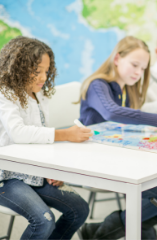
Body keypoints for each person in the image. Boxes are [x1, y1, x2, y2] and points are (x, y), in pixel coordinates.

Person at [79, 36, 157, 240]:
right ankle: (109, 232)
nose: (138, 73)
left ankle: (101, 230)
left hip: (121, 155)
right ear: (117, 59)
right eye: (134, 65)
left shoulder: (127, 89)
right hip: (95, 158)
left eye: (143, 68)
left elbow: (127, 126)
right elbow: (112, 113)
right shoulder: (97, 85)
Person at [0, 36, 90, 240]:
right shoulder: (5, 93)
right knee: (44, 220)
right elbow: (19, 133)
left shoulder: (39, 95)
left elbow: (40, 138)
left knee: (79, 209)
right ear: (17, 68)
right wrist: (65, 134)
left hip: (32, 173)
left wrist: (51, 170)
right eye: (36, 71)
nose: (42, 77)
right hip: (7, 178)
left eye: (46, 71)